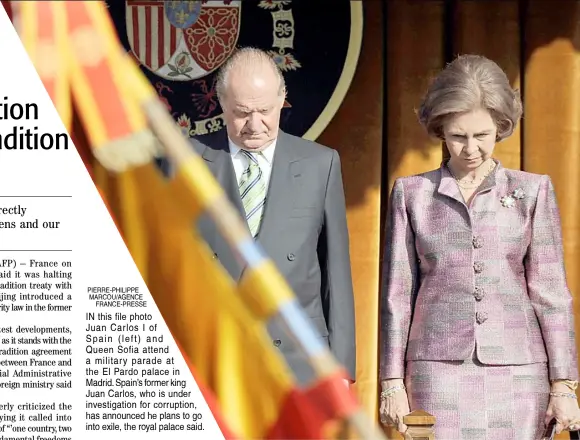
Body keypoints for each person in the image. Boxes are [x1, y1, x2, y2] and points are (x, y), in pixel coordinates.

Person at [379, 54, 580, 439]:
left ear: (501, 127)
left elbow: (551, 293)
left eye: (482, 135)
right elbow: (396, 297)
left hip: (520, 374)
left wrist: (563, 385)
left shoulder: (532, 191)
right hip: (436, 372)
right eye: (458, 136)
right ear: (440, 129)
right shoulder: (412, 194)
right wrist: (391, 382)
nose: (471, 148)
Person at [191, 47, 356, 386]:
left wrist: (341, 368)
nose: (254, 125)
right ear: (221, 103)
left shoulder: (319, 164)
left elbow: (336, 271)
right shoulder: (187, 159)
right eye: (241, 112)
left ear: (283, 99)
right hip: (213, 356)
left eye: (265, 110)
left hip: (300, 361)